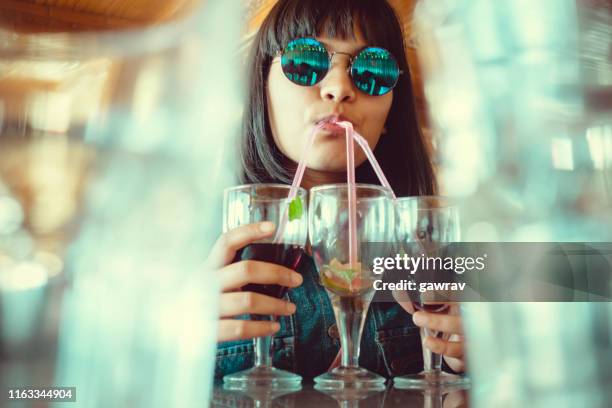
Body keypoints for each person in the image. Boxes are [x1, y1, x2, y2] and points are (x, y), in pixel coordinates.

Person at [210, 0, 466, 379]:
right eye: (305, 61)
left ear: (391, 115)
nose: (339, 88)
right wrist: (165, 344)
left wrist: (477, 359)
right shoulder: (181, 239)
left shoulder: (434, 246)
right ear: (261, 88)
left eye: (372, 70)